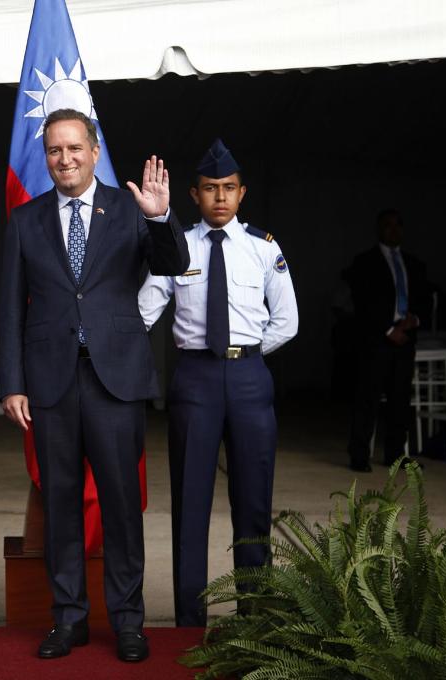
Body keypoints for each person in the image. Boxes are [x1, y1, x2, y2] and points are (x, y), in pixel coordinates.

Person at [0, 108, 189, 662]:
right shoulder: (25, 221)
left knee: (121, 506)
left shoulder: (131, 208)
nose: (65, 159)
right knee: (59, 504)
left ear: (95, 150)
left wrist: (161, 216)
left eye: (75, 148)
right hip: (51, 381)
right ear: (47, 157)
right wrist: (11, 382)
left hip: (116, 380)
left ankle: (128, 621)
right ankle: (69, 619)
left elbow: (173, 262)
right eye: (55, 151)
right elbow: (10, 308)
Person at [138, 139, 298, 627]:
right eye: (211, 189)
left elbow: (286, 321)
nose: (220, 198)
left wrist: (245, 357)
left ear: (242, 192)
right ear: (194, 194)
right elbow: (143, 313)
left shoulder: (263, 249)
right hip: (195, 378)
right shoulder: (177, 247)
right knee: (190, 505)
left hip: (249, 377)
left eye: (229, 188)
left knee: (253, 503)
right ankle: (189, 622)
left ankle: (256, 618)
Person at [344, 209, 429, 472]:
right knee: (367, 398)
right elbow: (363, 301)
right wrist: (387, 329)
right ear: (379, 229)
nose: (393, 230)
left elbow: (424, 298)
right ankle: (359, 455)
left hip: (405, 338)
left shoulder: (413, 263)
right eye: (387, 225)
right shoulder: (365, 262)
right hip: (376, 340)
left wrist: (413, 320)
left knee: (399, 399)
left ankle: (396, 455)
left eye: (397, 225)